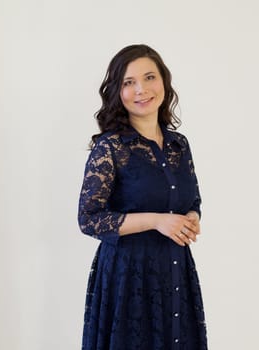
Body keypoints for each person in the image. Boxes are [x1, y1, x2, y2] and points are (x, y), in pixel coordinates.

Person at [77, 44, 208, 350]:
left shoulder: (179, 145)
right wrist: (155, 221)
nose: (141, 89)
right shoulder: (110, 147)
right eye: (128, 82)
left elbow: (193, 200)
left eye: (149, 77)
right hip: (128, 278)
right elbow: (89, 219)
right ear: (117, 92)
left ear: (164, 81)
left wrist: (192, 218)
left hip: (174, 271)